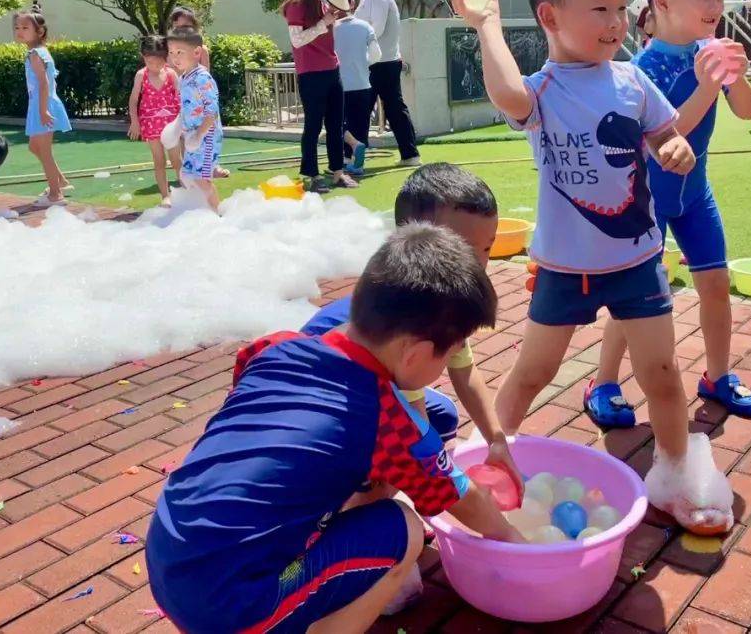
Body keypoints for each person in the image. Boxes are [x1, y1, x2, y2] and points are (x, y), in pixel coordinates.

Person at [455, 0, 733, 536]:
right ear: (550, 17)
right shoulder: (543, 90)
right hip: (565, 267)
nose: (616, 21)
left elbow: (665, 135)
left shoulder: (633, 81)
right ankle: (481, 469)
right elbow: (506, 93)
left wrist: (676, 149)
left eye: (620, 7)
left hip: (637, 260)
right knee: (531, 374)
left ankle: (675, 476)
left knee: (663, 375)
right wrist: (486, 24)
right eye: (599, 8)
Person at [147, 225, 524, 633]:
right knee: (403, 529)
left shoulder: (274, 347)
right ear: (414, 353)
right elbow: (458, 495)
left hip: (167, 557)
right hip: (229, 605)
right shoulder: (384, 416)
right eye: (448, 355)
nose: (447, 365)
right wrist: (515, 540)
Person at [595, 0, 751, 426]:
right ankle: (603, 382)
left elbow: (749, 111)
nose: (716, 5)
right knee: (636, 298)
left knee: (716, 284)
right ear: (663, 0)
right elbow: (663, 139)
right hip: (648, 202)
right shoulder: (640, 70)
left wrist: (738, 77)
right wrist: (709, 84)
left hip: (696, 195)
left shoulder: (710, 52)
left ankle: (718, 376)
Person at [294, 162, 521, 486]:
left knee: (442, 417)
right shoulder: (411, 309)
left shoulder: (447, 295)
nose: (478, 263)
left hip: (377, 382)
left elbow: (465, 371)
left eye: (487, 248)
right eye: (461, 249)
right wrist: (441, 487)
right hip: (323, 391)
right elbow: (414, 423)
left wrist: (496, 440)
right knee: (391, 451)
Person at [281, 0, 358, 193]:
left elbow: (327, 27)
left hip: (332, 69)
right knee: (313, 126)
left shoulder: (324, 2)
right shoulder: (297, 4)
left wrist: (337, 16)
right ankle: (313, 175)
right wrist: (324, 23)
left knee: (336, 125)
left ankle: (338, 172)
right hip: (310, 73)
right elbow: (297, 40)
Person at [345, 0, 421, 167]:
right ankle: (409, 154)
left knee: (363, 109)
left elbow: (374, 29)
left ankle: (351, 157)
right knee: (392, 108)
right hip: (382, 61)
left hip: (379, 63)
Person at [13, 4, 72, 207]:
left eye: (25, 28)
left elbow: (44, 82)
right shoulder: (38, 51)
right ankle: (60, 180)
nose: (19, 31)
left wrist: (43, 109)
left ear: (39, 32)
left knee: (45, 151)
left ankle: (55, 194)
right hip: (41, 104)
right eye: (17, 27)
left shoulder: (35, 54)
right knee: (34, 146)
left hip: (43, 104)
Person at [168, 6, 230, 181]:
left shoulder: (201, 52)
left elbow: (205, 78)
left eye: (186, 27)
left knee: (203, 138)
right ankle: (188, 171)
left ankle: (210, 166)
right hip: (183, 99)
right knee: (184, 136)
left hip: (199, 103)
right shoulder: (173, 51)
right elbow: (173, 74)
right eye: (178, 28)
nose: (182, 31)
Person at [168, 26, 223, 212]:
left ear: (197, 52)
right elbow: (186, 108)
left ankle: (218, 215)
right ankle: (199, 212)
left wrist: (199, 136)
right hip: (193, 135)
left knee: (201, 178)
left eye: (180, 52)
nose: (174, 57)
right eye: (171, 52)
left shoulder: (202, 78)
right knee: (188, 174)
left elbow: (211, 111)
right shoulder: (184, 77)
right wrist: (178, 128)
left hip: (206, 137)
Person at [128, 35, 183, 206]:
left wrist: (184, 120)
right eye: (150, 62)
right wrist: (135, 121)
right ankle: (165, 195)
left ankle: (186, 189)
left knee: (176, 160)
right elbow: (133, 100)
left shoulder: (171, 74)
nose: (154, 66)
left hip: (171, 124)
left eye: (159, 63)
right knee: (159, 161)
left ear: (166, 57)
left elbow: (180, 97)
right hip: (151, 124)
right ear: (143, 57)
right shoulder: (141, 75)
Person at [333, 0, 380, 176]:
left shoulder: (331, 29)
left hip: (339, 84)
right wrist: (362, 63)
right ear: (352, 4)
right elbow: (376, 55)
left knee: (337, 123)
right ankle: (358, 164)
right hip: (363, 83)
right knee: (360, 124)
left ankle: (346, 158)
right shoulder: (365, 27)